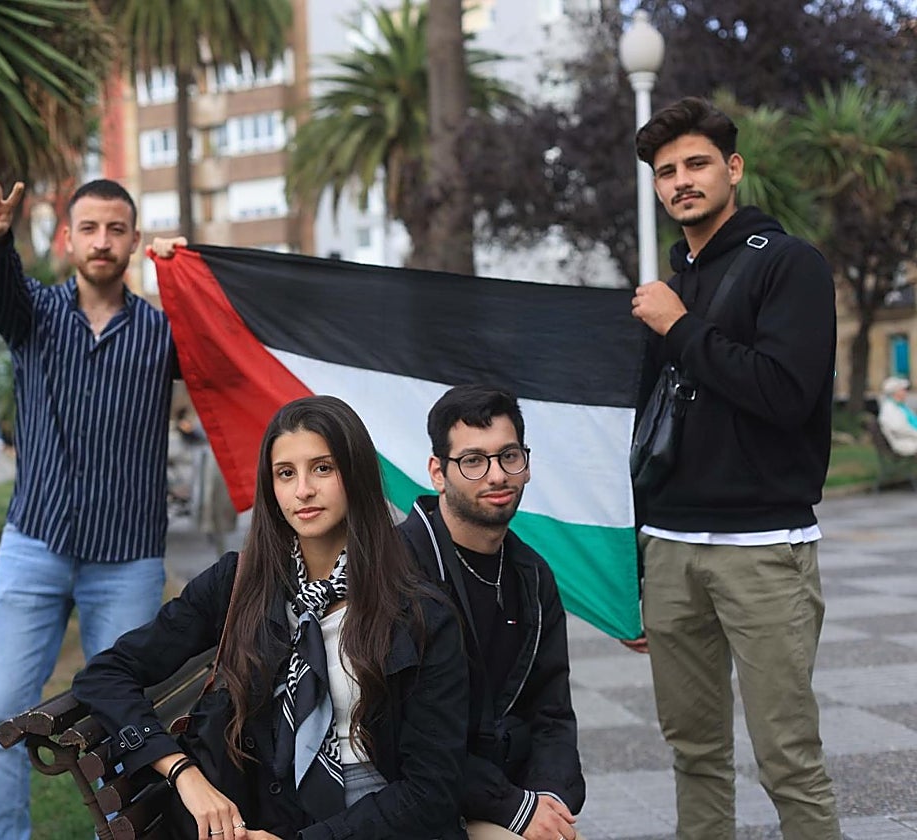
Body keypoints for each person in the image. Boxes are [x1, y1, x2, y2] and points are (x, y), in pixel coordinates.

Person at [73, 395, 469, 840]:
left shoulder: (418, 612)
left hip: (378, 824)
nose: (303, 490)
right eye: (286, 473)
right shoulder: (239, 583)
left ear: (355, 474)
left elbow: (431, 789)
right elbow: (106, 675)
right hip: (262, 819)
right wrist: (183, 772)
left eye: (322, 468)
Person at [629, 97, 840, 839]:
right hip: (670, 547)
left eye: (696, 164)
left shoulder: (789, 264)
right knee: (694, 755)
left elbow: (784, 394)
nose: (681, 181)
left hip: (764, 548)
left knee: (788, 759)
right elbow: (640, 429)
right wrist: (631, 567)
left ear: (734, 168)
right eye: (666, 172)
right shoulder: (668, 288)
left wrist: (680, 327)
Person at [0, 177, 178, 840]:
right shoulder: (34, 313)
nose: (102, 241)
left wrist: (191, 277)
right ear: (68, 238)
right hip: (34, 545)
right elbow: (0, 291)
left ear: (134, 241)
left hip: (127, 558)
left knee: (127, 727)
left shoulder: (163, 333)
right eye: (89, 228)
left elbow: (229, 350)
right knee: (0, 717)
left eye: (116, 229)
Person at [398, 385, 583, 840]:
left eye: (509, 456)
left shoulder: (532, 575)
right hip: (415, 798)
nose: (497, 475)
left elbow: (552, 713)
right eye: (474, 461)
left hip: (505, 791)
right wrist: (516, 809)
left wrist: (550, 798)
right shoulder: (399, 569)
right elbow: (404, 735)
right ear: (438, 473)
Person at [877, 376, 917, 457]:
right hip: (903, 442)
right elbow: (898, 428)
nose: (906, 392)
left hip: (910, 439)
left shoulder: (900, 406)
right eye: (903, 390)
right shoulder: (889, 408)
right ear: (895, 392)